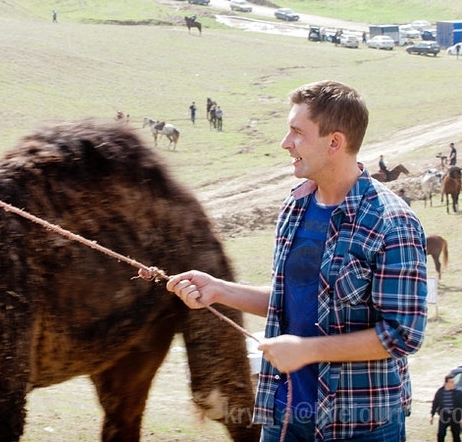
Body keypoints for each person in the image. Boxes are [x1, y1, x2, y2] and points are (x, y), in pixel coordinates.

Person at [154, 80, 428, 441]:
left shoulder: (392, 222)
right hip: (284, 417)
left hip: (359, 424)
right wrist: (218, 290)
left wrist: (307, 351)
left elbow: (402, 335)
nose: (286, 143)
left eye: (297, 133)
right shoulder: (295, 207)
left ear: (335, 142)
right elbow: (293, 298)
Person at [430, 374, 462, 442]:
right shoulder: (440, 392)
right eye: (451, 382)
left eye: (454, 382)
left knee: (456, 435)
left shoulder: (458, 393)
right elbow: (435, 403)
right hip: (444, 416)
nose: (453, 384)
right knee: (441, 434)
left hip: (455, 417)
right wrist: (432, 415)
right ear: (446, 383)